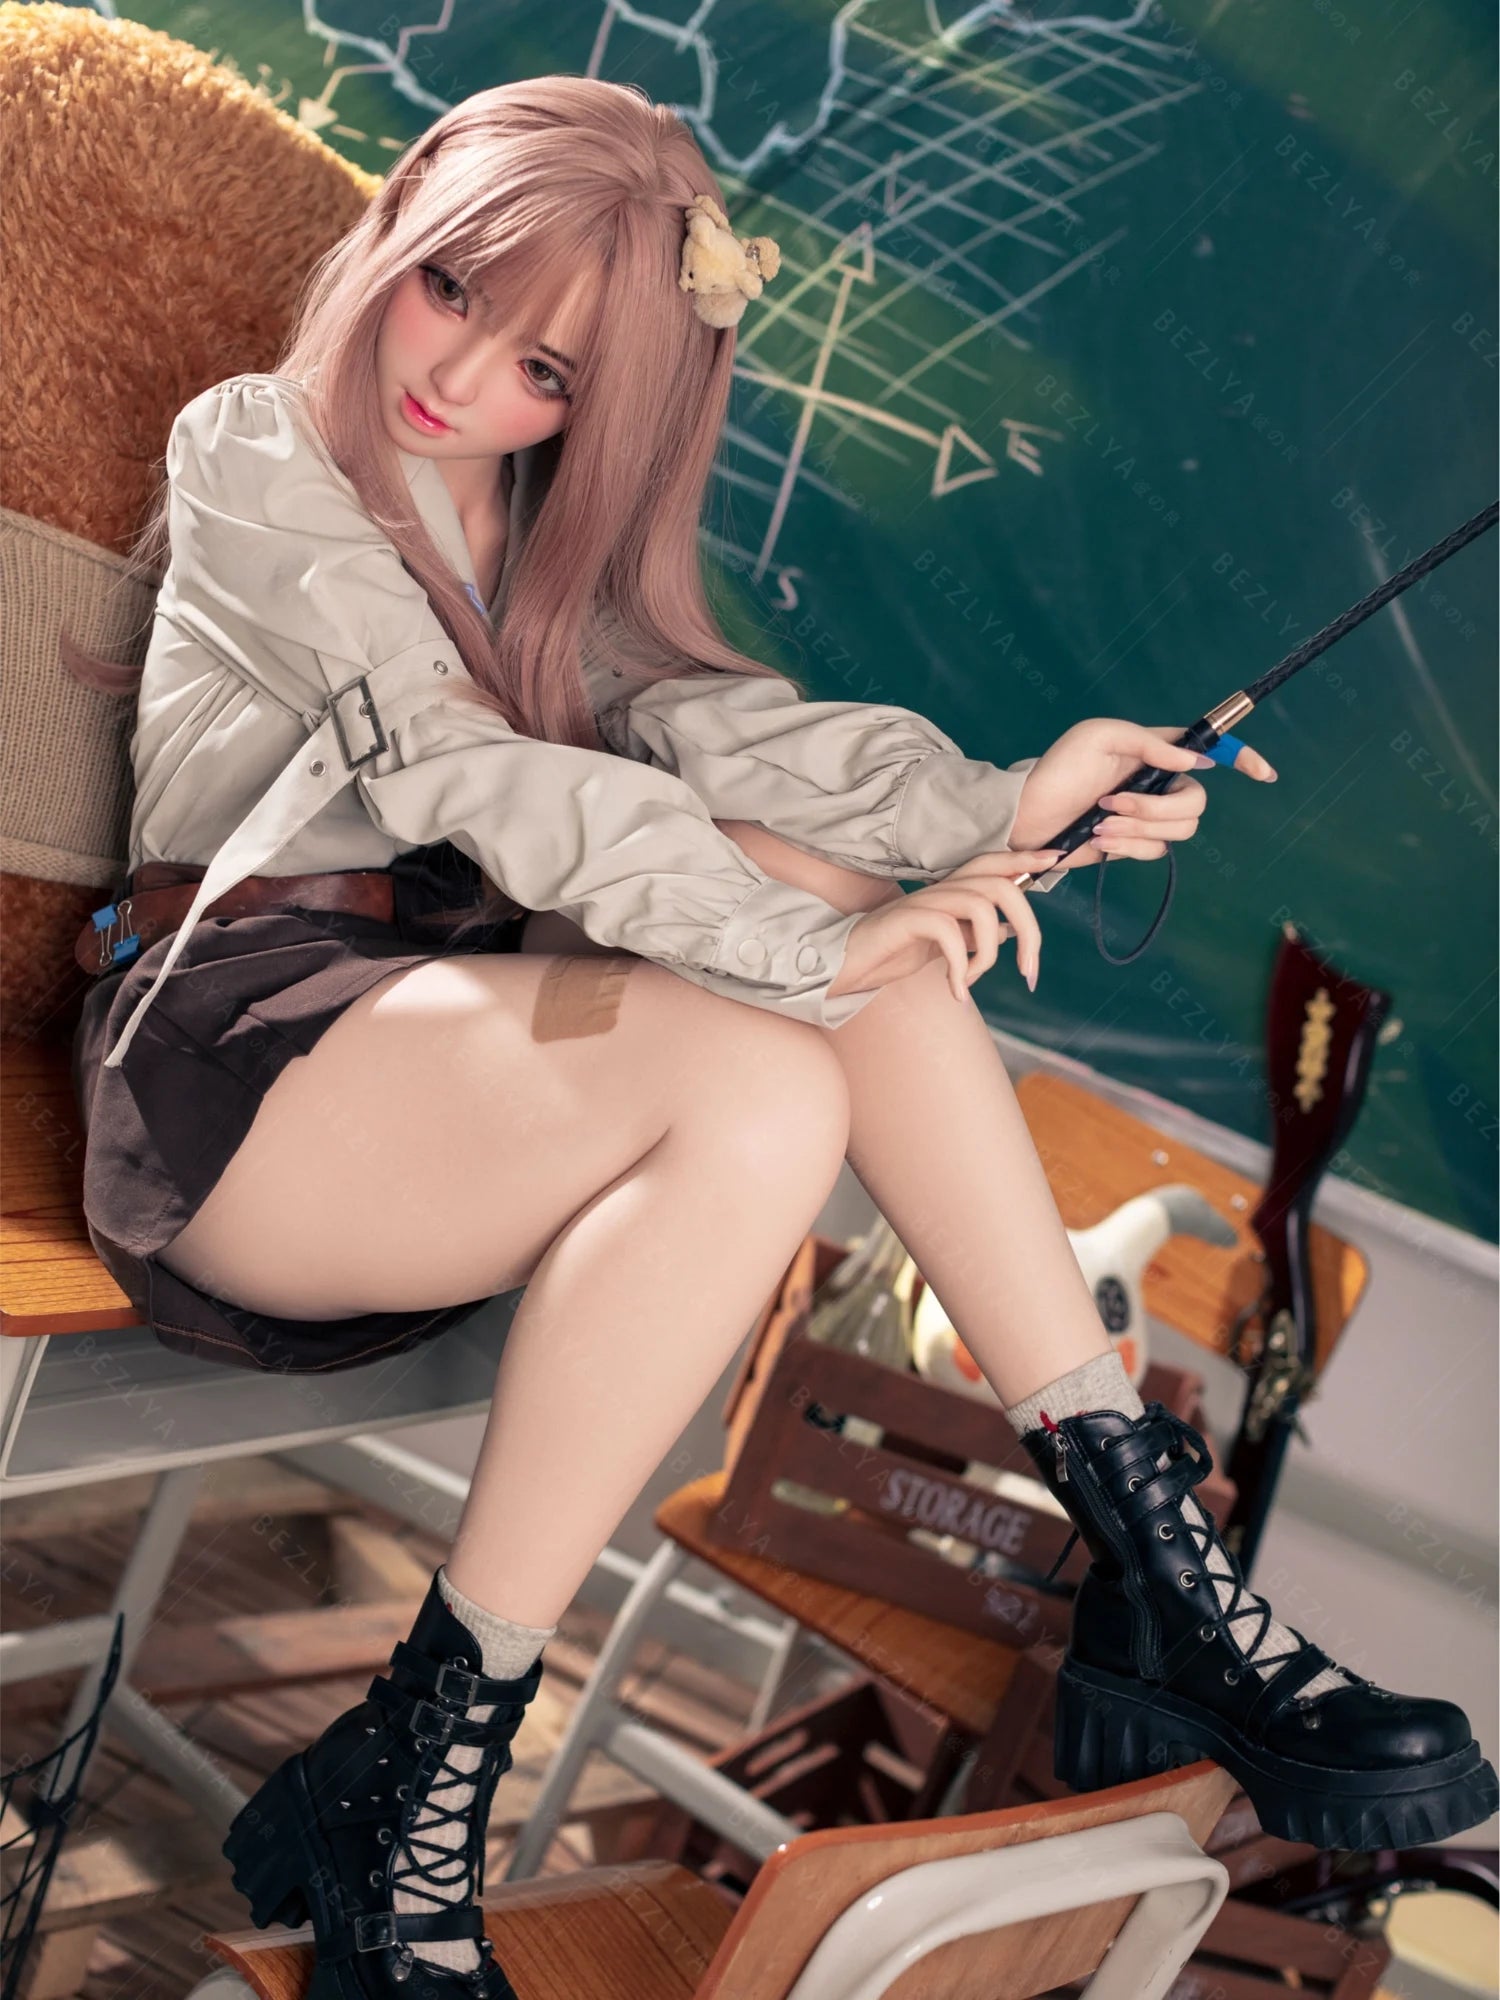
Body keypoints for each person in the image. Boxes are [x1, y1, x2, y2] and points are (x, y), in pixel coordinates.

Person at [65, 74, 1494, 2000]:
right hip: (234, 1072)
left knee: (798, 921)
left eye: (547, 371)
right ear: (399, 229)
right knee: (781, 1004)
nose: (463, 376)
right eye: (454, 289)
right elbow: (463, 767)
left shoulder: (540, 540)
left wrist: (1006, 803)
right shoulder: (260, 448)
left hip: (447, 1070)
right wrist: (811, 951)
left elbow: (724, 733)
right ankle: (423, 1777)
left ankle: (1144, 1567)